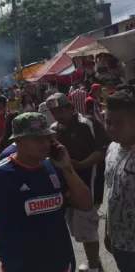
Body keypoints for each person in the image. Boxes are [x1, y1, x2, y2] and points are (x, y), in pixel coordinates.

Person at [0, 112, 93, 272]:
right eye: (36, 139)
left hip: (61, 264)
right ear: (18, 140)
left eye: (47, 138)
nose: (44, 144)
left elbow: (86, 204)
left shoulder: (55, 168)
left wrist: (68, 168)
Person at [47, 92, 110, 272]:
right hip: (67, 186)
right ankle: (95, 262)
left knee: (86, 228)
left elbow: (102, 150)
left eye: (59, 111)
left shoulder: (88, 123)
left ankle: (93, 267)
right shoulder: (54, 129)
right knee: (77, 229)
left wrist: (81, 164)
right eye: (53, 112)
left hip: (90, 182)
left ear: (70, 108)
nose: (57, 115)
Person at [103, 90, 135, 272]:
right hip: (119, 242)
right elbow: (111, 191)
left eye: (119, 123)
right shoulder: (112, 148)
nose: (112, 128)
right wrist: (108, 231)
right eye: (108, 122)